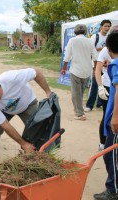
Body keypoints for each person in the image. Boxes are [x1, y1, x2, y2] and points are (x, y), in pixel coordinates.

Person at [0, 68, 52, 167]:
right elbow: (5, 125)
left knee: (39, 130)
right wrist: (24, 144)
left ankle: (44, 161)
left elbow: (37, 72)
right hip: (4, 110)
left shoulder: (11, 78)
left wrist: (48, 92)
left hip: (27, 104)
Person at [93, 32, 118, 200]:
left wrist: (115, 117)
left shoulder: (116, 64)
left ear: (108, 49)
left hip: (116, 119)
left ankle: (113, 190)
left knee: (110, 155)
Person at [61, 24, 98, 121]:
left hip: (76, 70)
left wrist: (64, 68)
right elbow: (95, 56)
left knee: (75, 93)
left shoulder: (72, 41)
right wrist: (95, 69)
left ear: (75, 32)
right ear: (85, 32)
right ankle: (79, 109)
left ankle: (80, 114)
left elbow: (67, 55)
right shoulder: (89, 41)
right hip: (87, 70)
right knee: (80, 92)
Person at [95, 25, 118, 152]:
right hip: (107, 87)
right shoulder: (105, 51)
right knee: (106, 115)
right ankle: (103, 143)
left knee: (112, 117)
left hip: (115, 90)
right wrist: (100, 87)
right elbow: (97, 69)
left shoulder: (115, 64)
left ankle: (110, 145)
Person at [85, 19, 112, 112]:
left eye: (109, 26)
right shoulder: (95, 37)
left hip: (106, 64)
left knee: (105, 83)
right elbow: (91, 49)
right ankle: (89, 105)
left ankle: (100, 103)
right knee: (95, 84)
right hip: (96, 63)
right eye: (105, 26)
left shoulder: (109, 37)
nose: (107, 28)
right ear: (101, 26)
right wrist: (103, 48)